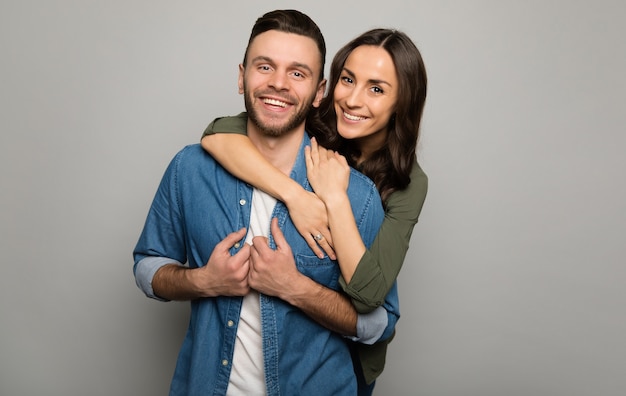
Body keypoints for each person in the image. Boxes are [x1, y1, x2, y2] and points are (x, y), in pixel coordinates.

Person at [133, 9, 399, 396]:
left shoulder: (354, 196)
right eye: (264, 67)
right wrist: (203, 281)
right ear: (242, 76)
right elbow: (147, 266)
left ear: (319, 92)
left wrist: (294, 287)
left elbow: (380, 324)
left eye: (297, 73)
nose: (278, 84)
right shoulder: (189, 169)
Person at [201, 28, 428, 393]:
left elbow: (369, 297)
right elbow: (217, 133)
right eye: (347, 80)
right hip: (282, 347)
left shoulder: (408, 182)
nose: (352, 100)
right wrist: (297, 196)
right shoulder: (312, 127)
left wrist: (335, 197)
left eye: (376, 89)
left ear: (402, 102)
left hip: (351, 360)